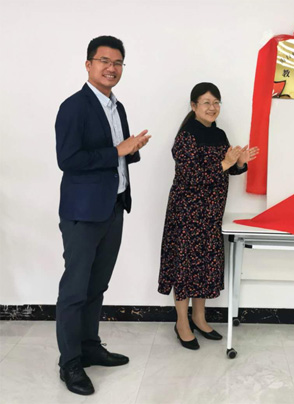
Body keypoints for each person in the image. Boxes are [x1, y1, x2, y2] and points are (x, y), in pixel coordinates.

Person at [55, 35, 151, 395]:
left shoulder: (116, 107)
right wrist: (118, 151)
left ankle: (90, 347)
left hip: (113, 206)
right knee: (75, 290)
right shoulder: (74, 107)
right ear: (89, 64)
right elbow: (69, 160)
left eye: (118, 63)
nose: (112, 68)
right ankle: (70, 363)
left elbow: (115, 155)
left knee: (97, 286)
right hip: (83, 213)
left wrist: (131, 149)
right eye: (104, 61)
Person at [158, 82, 258, 350]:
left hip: (211, 214)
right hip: (186, 213)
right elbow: (190, 175)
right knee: (184, 266)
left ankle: (199, 318)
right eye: (206, 102)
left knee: (203, 265)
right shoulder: (186, 136)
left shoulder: (219, 134)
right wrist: (225, 163)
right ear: (194, 106)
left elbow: (226, 171)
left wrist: (239, 163)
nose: (212, 107)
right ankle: (182, 322)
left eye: (216, 102)